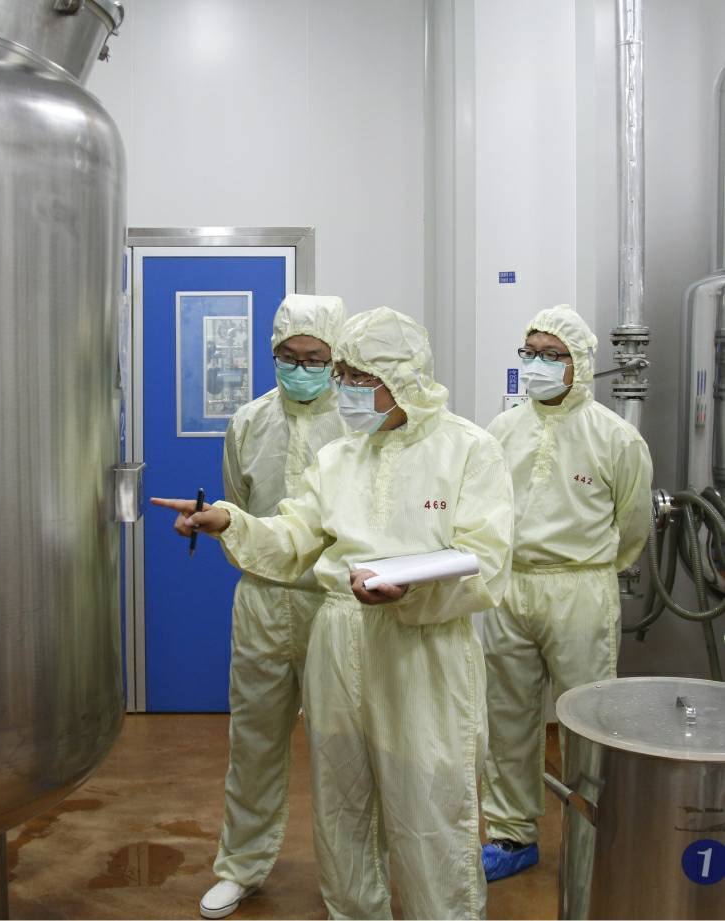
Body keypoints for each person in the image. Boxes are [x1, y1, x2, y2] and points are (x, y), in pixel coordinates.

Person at [155, 307, 514, 920]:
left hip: (421, 645)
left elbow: (486, 560)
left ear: (400, 378)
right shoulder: (340, 458)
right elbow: (295, 533)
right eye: (341, 375)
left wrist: (410, 593)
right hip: (340, 635)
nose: (342, 389)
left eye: (355, 377)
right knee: (341, 801)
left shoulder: (468, 450)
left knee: (429, 802)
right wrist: (231, 521)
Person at [200, 292, 383, 920]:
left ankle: (354, 885)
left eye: (314, 358)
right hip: (261, 600)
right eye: (289, 356)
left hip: (337, 605)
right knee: (253, 740)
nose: (300, 368)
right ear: (272, 353)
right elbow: (239, 504)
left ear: (336, 360)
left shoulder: (359, 424)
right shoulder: (248, 422)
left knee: (345, 750)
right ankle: (240, 865)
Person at [480, 305, 653, 882]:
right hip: (511, 586)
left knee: (587, 718)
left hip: (580, 587)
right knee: (507, 716)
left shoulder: (616, 437)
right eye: (531, 353)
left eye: (552, 355)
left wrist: (594, 572)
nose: (538, 364)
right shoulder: (502, 430)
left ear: (579, 362)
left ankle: (591, 833)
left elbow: (632, 525)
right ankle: (511, 834)